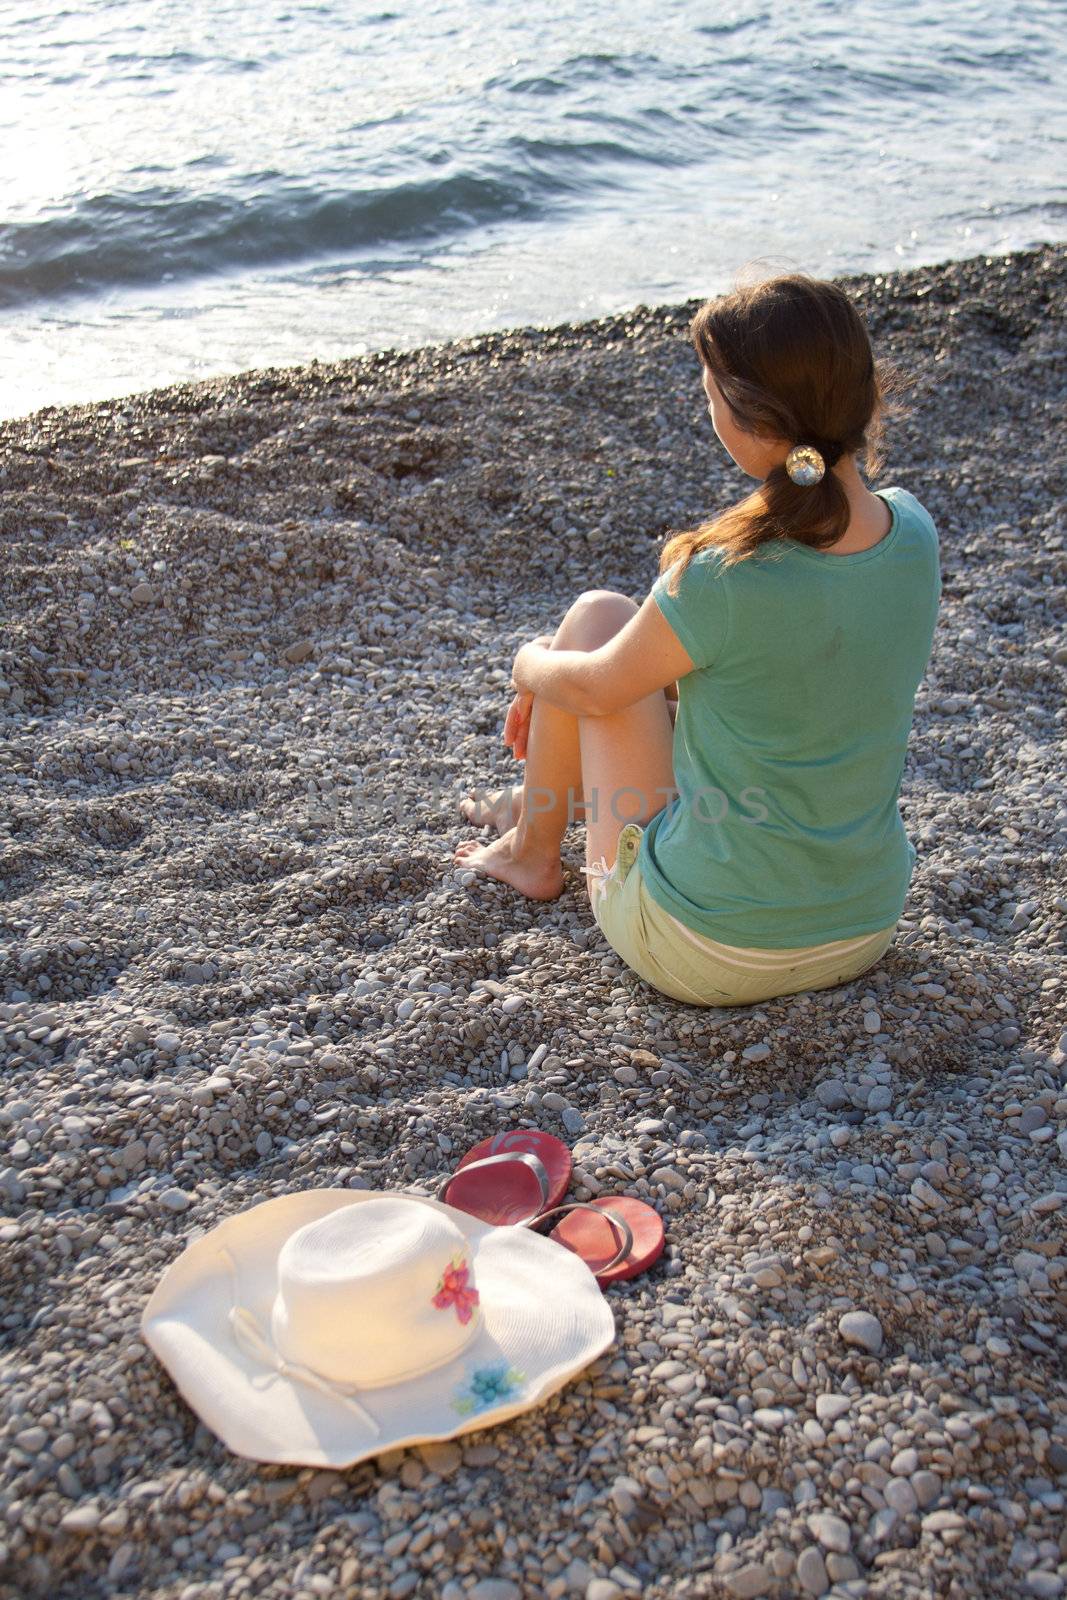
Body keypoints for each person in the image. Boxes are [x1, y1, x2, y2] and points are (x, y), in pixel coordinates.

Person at [454, 273, 942, 1007]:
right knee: (644, 667)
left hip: (708, 949)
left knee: (592, 622)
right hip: (863, 927)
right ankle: (531, 808)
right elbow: (771, 663)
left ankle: (530, 851)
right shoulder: (911, 533)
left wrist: (527, 665)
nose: (707, 409)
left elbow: (593, 686)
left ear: (750, 419)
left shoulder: (724, 574)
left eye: (710, 395)